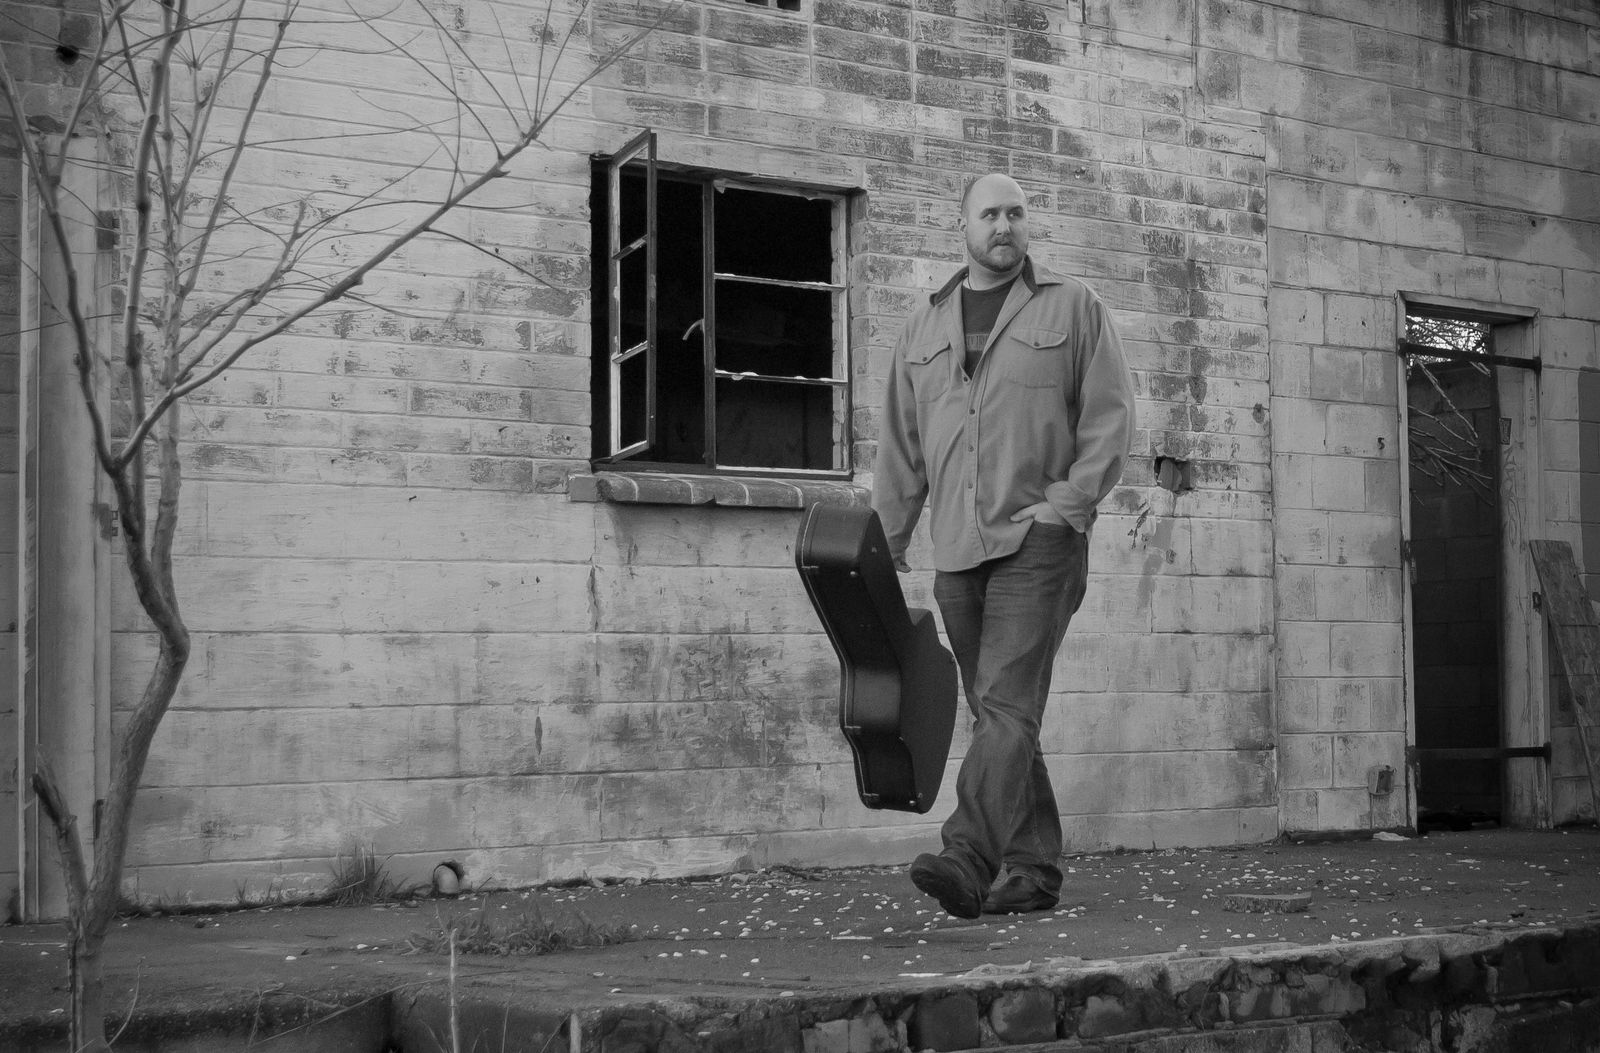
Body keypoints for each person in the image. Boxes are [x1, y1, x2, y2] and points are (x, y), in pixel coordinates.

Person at [872, 172, 1136, 918]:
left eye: (1016, 212)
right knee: (999, 710)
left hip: (1037, 539)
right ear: (961, 226)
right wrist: (886, 544)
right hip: (958, 547)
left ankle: (968, 855)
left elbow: (1111, 415)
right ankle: (1033, 869)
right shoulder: (923, 327)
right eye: (989, 213)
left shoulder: (1074, 306)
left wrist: (1066, 507)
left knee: (1007, 703)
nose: (1004, 225)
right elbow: (902, 448)